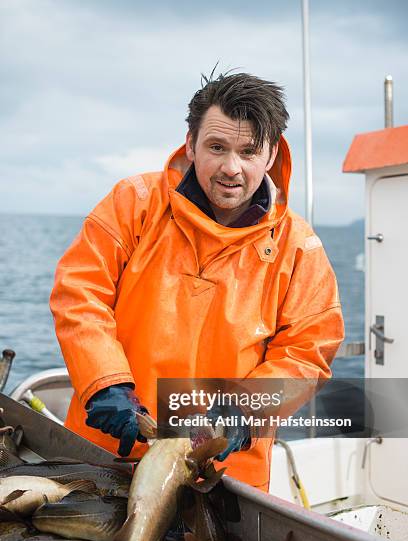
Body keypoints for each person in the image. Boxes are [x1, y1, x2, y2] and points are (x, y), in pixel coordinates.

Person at [50, 72, 344, 492]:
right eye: (217, 147)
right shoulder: (132, 203)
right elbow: (80, 295)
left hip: (223, 472)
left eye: (248, 151)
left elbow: (307, 352)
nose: (231, 167)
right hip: (107, 452)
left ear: (271, 154)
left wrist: (242, 412)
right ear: (190, 144)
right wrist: (105, 383)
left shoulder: (300, 248)